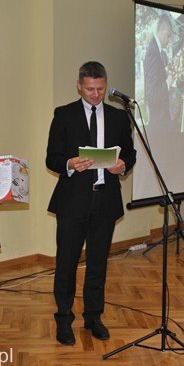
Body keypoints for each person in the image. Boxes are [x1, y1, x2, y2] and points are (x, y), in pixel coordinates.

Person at [46, 61, 136, 345]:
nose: (96, 94)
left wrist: (122, 165)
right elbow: (52, 157)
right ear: (79, 85)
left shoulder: (119, 117)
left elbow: (130, 154)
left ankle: (94, 317)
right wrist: (70, 163)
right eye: (89, 89)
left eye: (100, 88)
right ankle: (63, 320)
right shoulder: (64, 115)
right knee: (67, 263)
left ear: (105, 84)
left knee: (98, 263)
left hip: (105, 200)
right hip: (73, 202)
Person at [143, 13, 175, 131]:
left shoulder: (157, 49)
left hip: (161, 116)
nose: (169, 40)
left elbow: (156, 76)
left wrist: (165, 71)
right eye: (168, 36)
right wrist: (168, 83)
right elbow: (152, 94)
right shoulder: (153, 51)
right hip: (158, 121)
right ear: (161, 31)